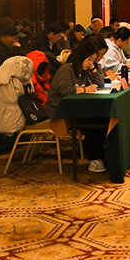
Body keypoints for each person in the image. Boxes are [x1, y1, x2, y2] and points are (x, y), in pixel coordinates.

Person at [45, 39, 106, 173]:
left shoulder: (84, 71)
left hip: (76, 110)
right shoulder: (66, 69)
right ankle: (94, 159)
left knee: (103, 117)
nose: (91, 63)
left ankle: (95, 151)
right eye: (89, 59)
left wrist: (93, 69)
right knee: (95, 121)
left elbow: (100, 84)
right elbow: (64, 90)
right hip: (60, 111)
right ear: (81, 56)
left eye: (93, 60)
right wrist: (85, 89)